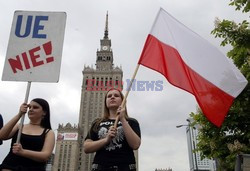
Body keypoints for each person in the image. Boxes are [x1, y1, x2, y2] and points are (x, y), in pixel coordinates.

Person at [84, 88, 141, 171]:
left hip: (126, 168)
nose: (112, 97)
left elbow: (135, 145)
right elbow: (86, 147)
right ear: (105, 102)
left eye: (116, 95)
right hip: (101, 168)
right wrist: (106, 140)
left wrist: (122, 119)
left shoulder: (132, 122)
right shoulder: (97, 123)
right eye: (109, 96)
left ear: (123, 101)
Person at [0, 98, 55, 171]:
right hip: (10, 166)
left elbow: (45, 156)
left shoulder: (48, 132)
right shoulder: (19, 126)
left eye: (35, 107)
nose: (31, 109)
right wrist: (19, 114)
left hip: (34, 168)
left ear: (44, 112)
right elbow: (2, 135)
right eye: (29, 107)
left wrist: (23, 152)